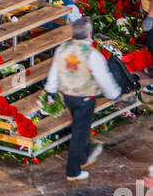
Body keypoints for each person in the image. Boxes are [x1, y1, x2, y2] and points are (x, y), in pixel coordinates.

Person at [44, 17, 121, 181]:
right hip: (85, 97)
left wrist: (50, 91)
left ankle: (84, 156)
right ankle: (73, 171)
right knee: (80, 132)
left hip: (68, 96)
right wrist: (114, 94)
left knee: (80, 128)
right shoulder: (92, 54)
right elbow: (103, 77)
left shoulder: (62, 49)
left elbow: (54, 71)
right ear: (89, 35)